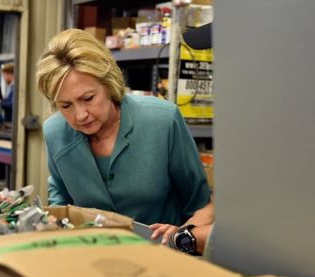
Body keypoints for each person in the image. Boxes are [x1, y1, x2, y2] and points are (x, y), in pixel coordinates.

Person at [36, 28, 212, 247]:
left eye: (88, 98)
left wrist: (183, 234)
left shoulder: (163, 120)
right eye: (66, 105)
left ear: (108, 85)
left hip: (162, 259)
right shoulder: (55, 132)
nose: (80, 115)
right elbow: (60, 200)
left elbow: (201, 205)